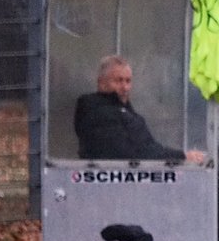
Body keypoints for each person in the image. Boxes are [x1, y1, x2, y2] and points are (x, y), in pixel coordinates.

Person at [74, 55, 206, 164]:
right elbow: (134, 151)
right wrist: (181, 156)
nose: (124, 87)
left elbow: (149, 147)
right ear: (101, 82)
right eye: (118, 81)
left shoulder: (126, 111)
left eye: (128, 81)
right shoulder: (94, 109)